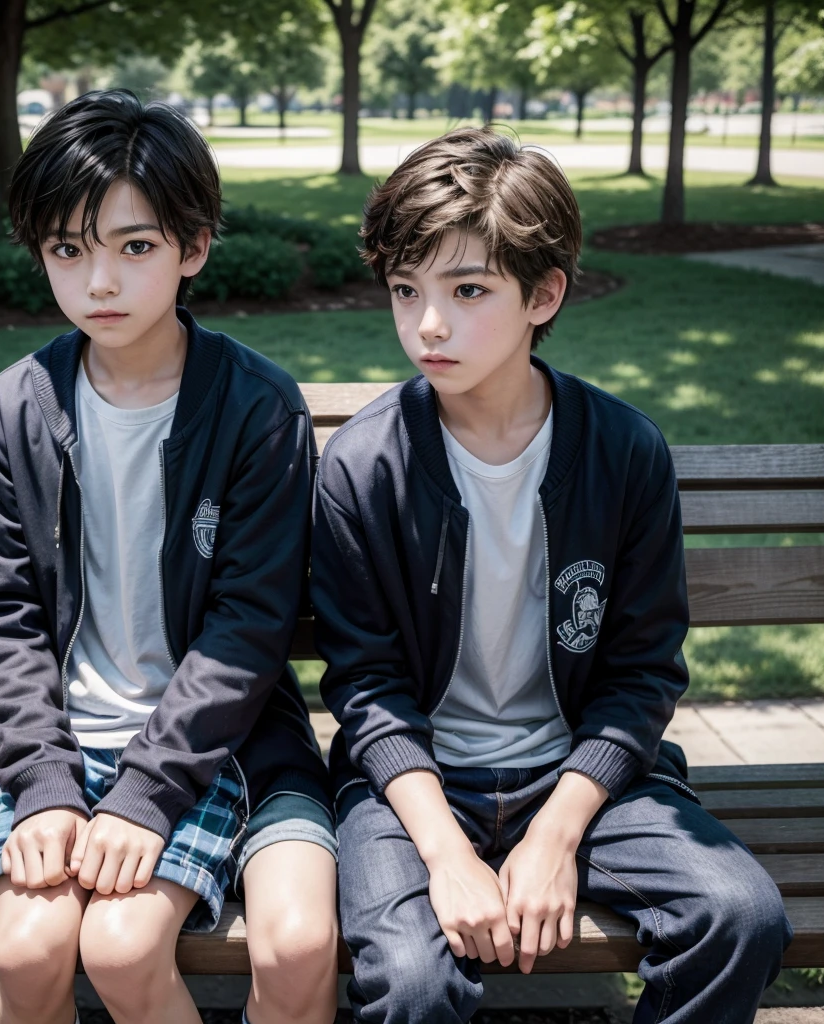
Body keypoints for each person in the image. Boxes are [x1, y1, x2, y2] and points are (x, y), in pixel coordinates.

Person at [310, 127, 792, 1024]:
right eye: (405, 290)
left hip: (581, 777)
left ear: (544, 294)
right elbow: (366, 688)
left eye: (468, 291)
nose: (427, 325)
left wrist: (556, 836)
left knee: (740, 916)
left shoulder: (623, 452)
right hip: (414, 784)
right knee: (414, 985)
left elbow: (642, 673)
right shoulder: (364, 466)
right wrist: (451, 856)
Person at [0, 90, 338, 1024]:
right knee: (28, 948)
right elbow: (3, 617)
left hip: (209, 745)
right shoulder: (21, 406)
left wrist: (148, 791)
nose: (100, 284)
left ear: (193, 248)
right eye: (68, 250)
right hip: (59, 743)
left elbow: (249, 626)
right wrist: (43, 784)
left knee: (123, 946)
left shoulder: (254, 406)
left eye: (135, 247)